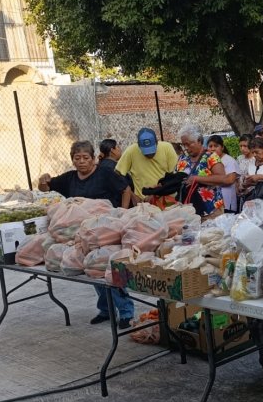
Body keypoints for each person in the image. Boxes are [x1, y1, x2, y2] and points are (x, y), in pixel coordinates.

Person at [37, 141, 135, 329]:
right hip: (82, 235)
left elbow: (126, 189)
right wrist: (42, 181)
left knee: (108, 272)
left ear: (93, 158)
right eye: (77, 158)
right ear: (72, 159)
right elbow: (45, 187)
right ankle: (106, 310)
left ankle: (126, 312)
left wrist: (122, 213)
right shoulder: (69, 178)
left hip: (106, 233)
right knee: (92, 269)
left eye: (85, 158)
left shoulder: (104, 173)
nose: (81, 161)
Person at [115, 127, 178, 203]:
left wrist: (155, 193)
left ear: (157, 142)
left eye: (152, 150)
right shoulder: (131, 151)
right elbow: (118, 173)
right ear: (138, 145)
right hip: (143, 202)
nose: (149, 154)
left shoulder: (167, 148)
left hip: (168, 199)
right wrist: (131, 194)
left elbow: (175, 176)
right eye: (146, 152)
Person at [175, 123, 225, 217]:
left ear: (199, 140)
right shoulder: (182, 159)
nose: (186, 148)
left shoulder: (211, 157)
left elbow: (222, 178)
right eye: (183, 145)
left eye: (188, 144)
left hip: (211, 211)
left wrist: (196, 178)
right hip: (189, 212)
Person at [206, 135, 240, 214]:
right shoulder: (208, 160)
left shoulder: (229, 161)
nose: (213, 149)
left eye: (216, 146)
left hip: (227, 201)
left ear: (222, 147)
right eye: (210, 146)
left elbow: (230, 180)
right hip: (213, 202)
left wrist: (211, 182)